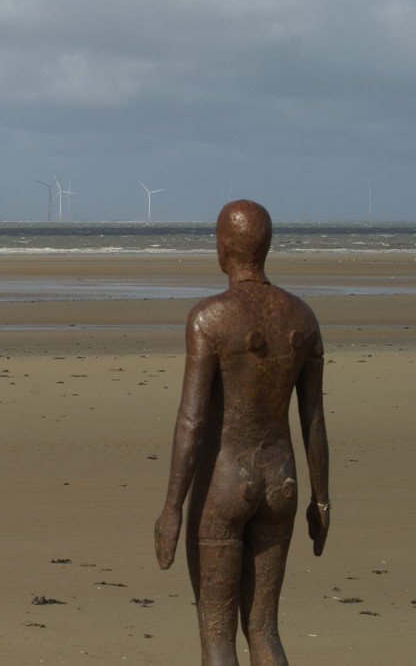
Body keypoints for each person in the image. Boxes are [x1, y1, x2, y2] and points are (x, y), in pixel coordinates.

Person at [154, 200, 331, 666]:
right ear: (265, 246)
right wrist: (322, 498)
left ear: (224, 247)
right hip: (282, 482)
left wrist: (172, 508)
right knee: (265, 631)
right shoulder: (302, 318)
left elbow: (191, 421)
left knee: (218, 636)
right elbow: (313, 418)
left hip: (224, 484)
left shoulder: (209, 318)